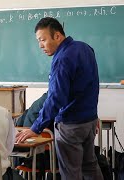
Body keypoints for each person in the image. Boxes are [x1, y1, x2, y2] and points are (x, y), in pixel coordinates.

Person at [15, 17, 103, 179]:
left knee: (71, 172)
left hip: (71, 125)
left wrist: (36, 128)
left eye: (43, 40)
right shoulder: (85, 48)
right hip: (89, 121)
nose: (40, 45)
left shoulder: (62, 59)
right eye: (38, 41)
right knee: (89, 165)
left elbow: (56, 98)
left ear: (57, 36)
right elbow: (92, 86)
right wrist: (95, 114)